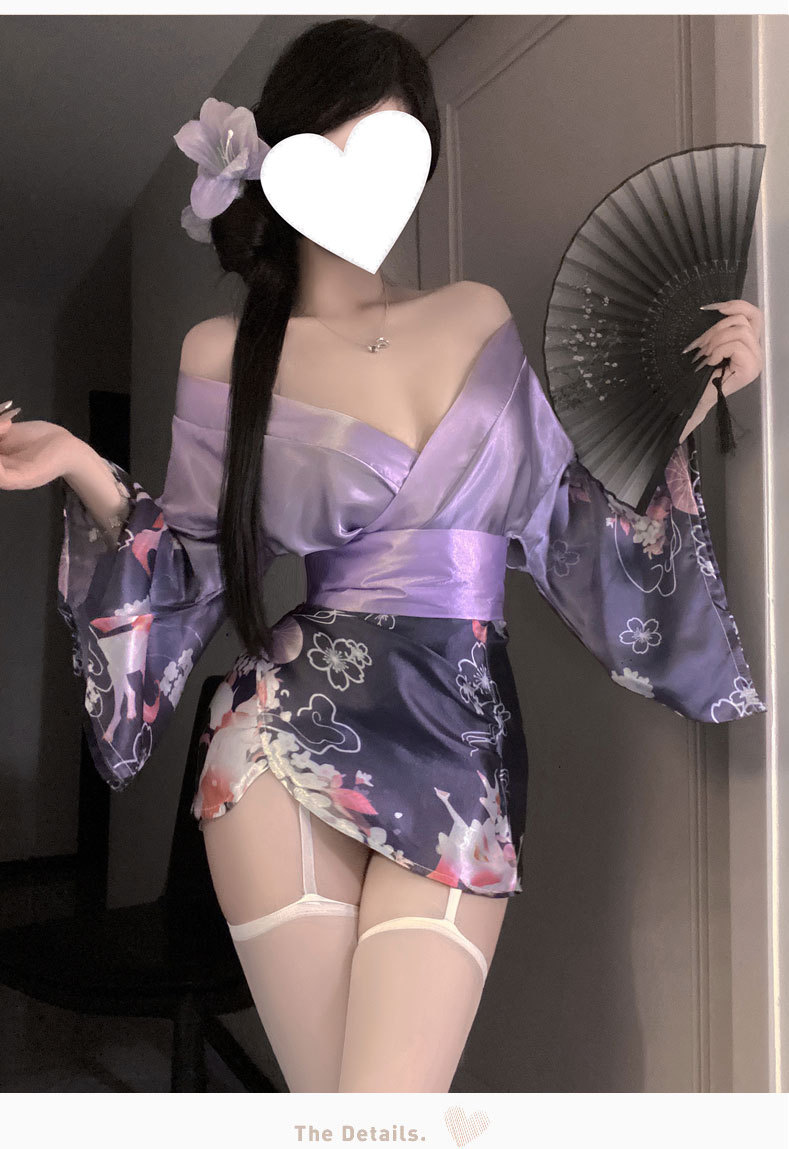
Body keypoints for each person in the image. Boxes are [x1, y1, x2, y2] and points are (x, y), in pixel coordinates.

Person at [0, 18, 766, 1094]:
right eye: (348, 145)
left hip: (461, 733)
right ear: (284, 160)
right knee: (358, 1118)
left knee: (379, 1114)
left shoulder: (475, 317)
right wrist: (78, 462)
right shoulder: (222, 354)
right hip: (278, 741)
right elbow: (187, 568)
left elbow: (566, 517)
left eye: (401, 152)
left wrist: (685, 404)